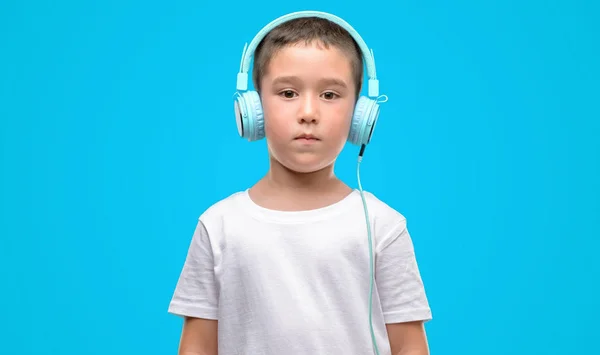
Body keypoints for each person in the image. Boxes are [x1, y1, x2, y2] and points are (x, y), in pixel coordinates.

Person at [168, 11, 432, 355]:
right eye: (289, 92)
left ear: (360, 115)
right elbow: (197, 347)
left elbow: (409, 347)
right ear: (253, 108)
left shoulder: (383, 226)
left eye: (330, 95)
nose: (309, 112)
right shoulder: (218, 225)